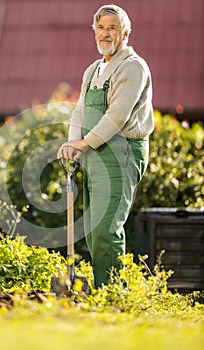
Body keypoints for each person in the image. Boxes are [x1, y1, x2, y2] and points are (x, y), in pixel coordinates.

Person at [57, 4, 154, 288]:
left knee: (106, 228)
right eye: (101, 28)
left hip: (121, 152)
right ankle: (103, 292)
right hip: (95, 152)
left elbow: (117, 116)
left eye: (112, 27)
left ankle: (113, 295)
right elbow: (80, 111)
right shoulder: (93, 69)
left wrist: (84, 143)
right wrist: (73, 143)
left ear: (125, 33)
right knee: (92, 229)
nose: (106, 33)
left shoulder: (132, 66)